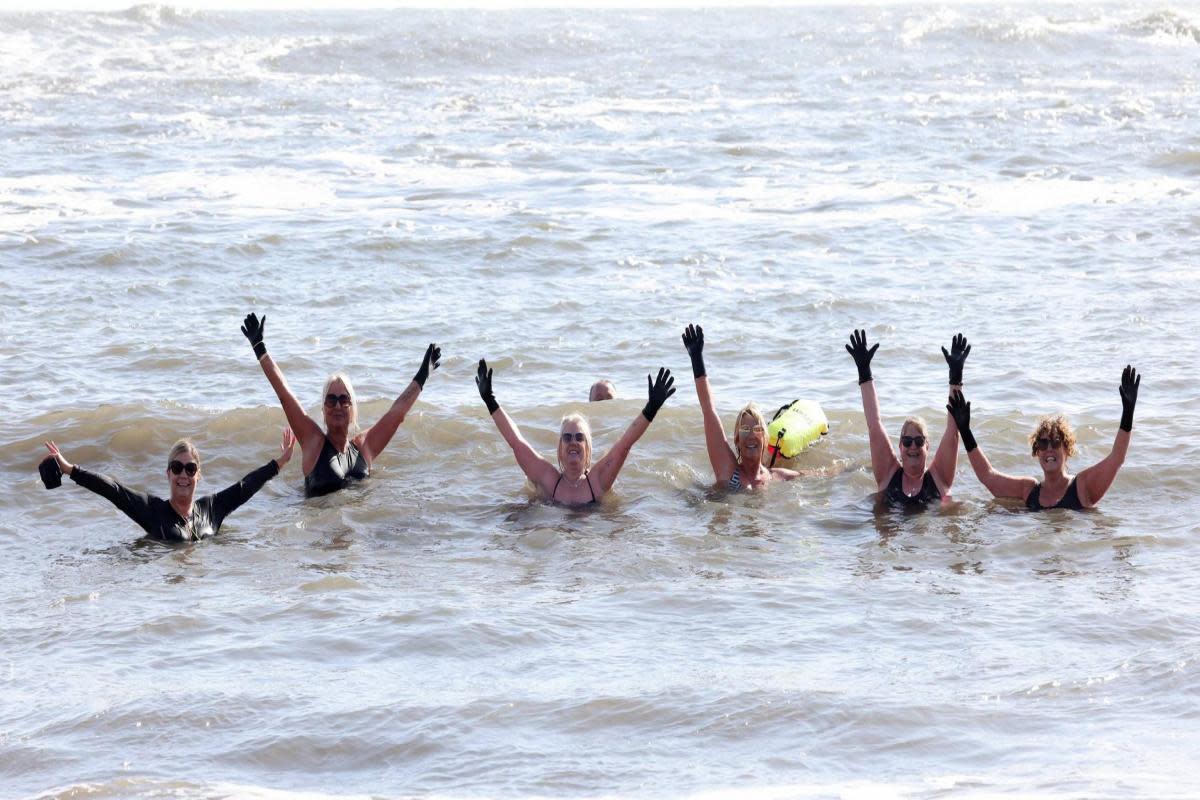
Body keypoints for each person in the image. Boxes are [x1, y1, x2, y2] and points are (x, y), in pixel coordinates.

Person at [240, 312, 440, 497]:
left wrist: (423, 376)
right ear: (323, 409)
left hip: (357, 530)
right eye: (331, 400)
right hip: (319, 532)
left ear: (352, 408)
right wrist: (259, 347)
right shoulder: (314, 443)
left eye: (344, 399)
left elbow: (397, 414)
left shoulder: (364, 447)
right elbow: (284, 393)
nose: (337, 406)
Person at [475, 359, 674, 506]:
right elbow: (516, 442)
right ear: (560, 447)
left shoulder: (597, 481)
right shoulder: (548, 479)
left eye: (580, 437)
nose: (573, 442)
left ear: (587, 448)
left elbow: (624, 444)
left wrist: (651, 407)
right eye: (567, 437)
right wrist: (490, 400)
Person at [39, 430, 294, 542]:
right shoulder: (153, 511)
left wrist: (279, 463)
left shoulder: (211, 509)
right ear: (168, 474)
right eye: (177, 468)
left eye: (190, 469)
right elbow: (113, 490)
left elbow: (245, 486)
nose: (183, 474)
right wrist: (70, 469)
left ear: (198, 475)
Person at [946, 366, 1140, 510]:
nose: (1049, 449)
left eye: (1055, 443)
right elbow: (988, 476)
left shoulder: (1082, 487)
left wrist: (1128, 413)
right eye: (1043, 443)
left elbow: (1116, 458)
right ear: (1036, 451)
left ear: (1067, 449)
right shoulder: (1028, 490)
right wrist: (965, 430)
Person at [845, 329, 969, 506]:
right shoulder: (888, 474)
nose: (913, 447)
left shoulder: (939, 477)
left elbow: (952, 431)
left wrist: (956, 377)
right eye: (907, 441)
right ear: (900, 446)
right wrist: (864, 372)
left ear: (927, 446)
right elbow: (874, 424)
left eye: (918, 441)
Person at [681, 323, 801, 491]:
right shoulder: (728, 470)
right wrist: (696, 357)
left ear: (765, 439)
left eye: (757, 429)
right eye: (744, 430)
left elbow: (824, 475)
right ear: (737, 439)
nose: (751, 435)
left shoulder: (777, 477)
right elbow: (708, 409)